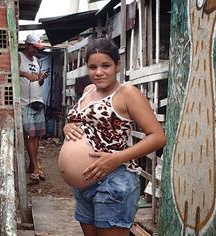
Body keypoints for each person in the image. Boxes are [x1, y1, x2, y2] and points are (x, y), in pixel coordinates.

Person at [61, 38, 166, 236]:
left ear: (117, 65)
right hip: (83, 184)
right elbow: (81, 121)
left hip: (113, 181)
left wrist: (115, 159)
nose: (98, 72)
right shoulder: (88, 90)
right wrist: (68, 126)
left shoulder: (127, 94)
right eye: (92, 67)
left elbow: (158, 137)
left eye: (106, 65)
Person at [19, 34, 49, 182]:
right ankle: (36, 168)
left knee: (37, 136)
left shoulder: (37, 61)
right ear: (27, 45)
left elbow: (38, 83)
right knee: (30, 135)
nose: (36, 51)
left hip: (38, 101)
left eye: (38, 48)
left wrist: (41, 78)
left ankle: (32, 165)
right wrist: (24, 74)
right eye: (34, 47)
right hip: (25, 103)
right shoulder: (19, 57)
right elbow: (10, 72)